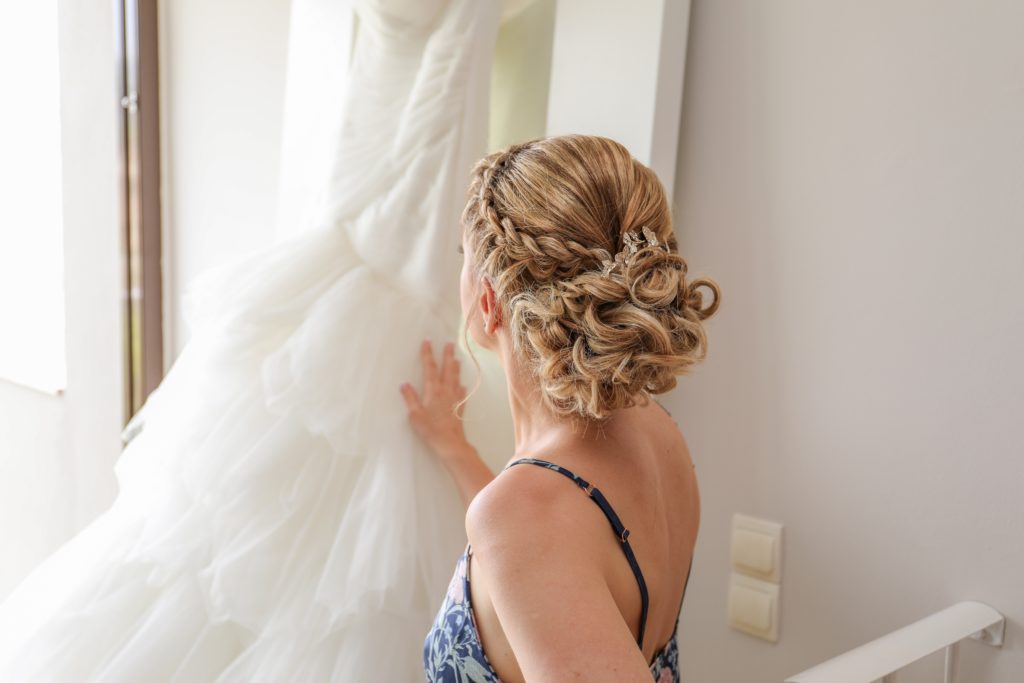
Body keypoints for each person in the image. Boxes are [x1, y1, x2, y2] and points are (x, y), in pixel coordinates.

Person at [406, 134, 721, 682]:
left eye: (463, 257)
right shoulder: (656, 428)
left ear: (488, 301)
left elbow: (540, 536)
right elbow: (561, 553)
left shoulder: (522, 517)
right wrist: (453, 448)